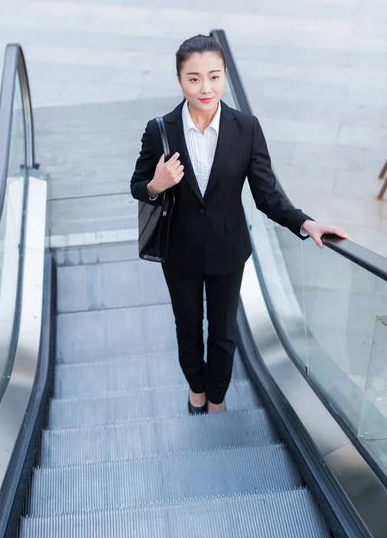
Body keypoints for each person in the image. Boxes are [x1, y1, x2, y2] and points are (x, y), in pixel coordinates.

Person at [130, 34, 349, 415]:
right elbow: (138, 187)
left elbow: (268, 195)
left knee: (223, 333)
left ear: (225, 76)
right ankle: (195, 389)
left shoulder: (246, 128)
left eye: (214, 77)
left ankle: (216, 397)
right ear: (180, 79)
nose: (205, 87)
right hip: (178, 252)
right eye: (194, 78)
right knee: (187, 329)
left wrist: (305, 223)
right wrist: (156, 184)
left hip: (227, 252)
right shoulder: (160, 129)